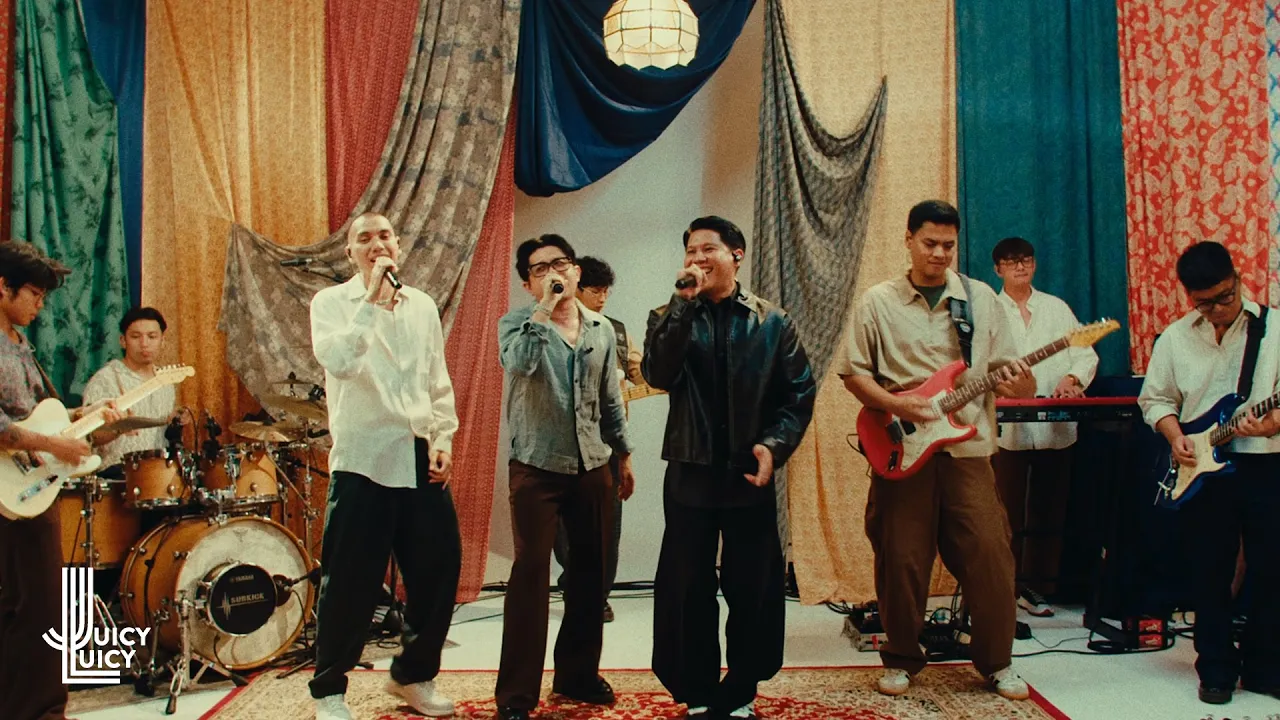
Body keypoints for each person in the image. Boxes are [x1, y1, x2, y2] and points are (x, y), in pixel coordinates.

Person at [835, 200, 1033, 701]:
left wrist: (1019, 379)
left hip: (969, 452)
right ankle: (902, 658)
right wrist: (897, 403)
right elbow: (854, 374)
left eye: (948, 245)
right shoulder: (877, 302)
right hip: (901, 449)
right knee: (901, 560)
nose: (940, 253)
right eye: (930, 243)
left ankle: (997, 662)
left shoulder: (981, 299)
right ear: (908, 240)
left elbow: (1011, 377)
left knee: (992, 557)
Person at [644, 216, 817, 720]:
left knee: (753, 587)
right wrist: (682, 304)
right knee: (686, 586)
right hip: (690, 472)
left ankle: (741, 689)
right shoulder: (669, 314)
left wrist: (774, 446)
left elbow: (799, 394)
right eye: (691, 251)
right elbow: (658, 372)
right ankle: (696, 689)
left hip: (749, 473)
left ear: (736, 256)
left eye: (709, 250)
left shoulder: (773, 322)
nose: (697, 259)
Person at [308, 212, 462, 720]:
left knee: (439, 571)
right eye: (364, 239)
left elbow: (436, 378)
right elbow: (342, 362)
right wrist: (371, 303)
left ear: (398, 243)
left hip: (418, 451)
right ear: (350, 253)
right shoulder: (332, 304)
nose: (376, 244)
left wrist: (443, 438)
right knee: (349, 583)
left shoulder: (422, 305)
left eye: (384, 236)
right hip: (363, 459)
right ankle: (329, 691)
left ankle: (412, 675)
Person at [496, 235, 636, 720]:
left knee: (590, 574)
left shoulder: (601, 328)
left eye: (561, 264)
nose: (554, 273)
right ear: (527, 283)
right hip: (536, 467)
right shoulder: (517, 323)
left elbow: (610, 398)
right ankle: (517, 694)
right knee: (531, 575)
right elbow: (520, 364)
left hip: (593, 464)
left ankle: (577, 675)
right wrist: (545, 309)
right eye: (540, 269)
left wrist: (623, 455)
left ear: (577, 271)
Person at [1138, 241, 1280, 705]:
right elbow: (1155, 398)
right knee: (1209, 568)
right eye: (1205, 303)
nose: (1219, 309)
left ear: (1238, 279)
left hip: (1264, 459)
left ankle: (1264, 666)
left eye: (1225, 297)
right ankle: (1215, 668)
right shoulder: (1176, 338)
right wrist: (1174, 434)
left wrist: (1273, 423)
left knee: (1271, 565)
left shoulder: (1274, 330)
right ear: (1189, 297)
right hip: (1200, 465)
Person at [0, 242, 122, 720]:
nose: (40, 304)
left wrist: (83, 415)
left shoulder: (19, 343)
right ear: (3, 287)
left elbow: (34, 413)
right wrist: (55, 446)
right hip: (11, 490)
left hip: (29, 487)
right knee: (38, 609)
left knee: (31, 607)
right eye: (33, 293)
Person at [990, 237, 1098, 617]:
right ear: (998, 269)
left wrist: (1072, 378)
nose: (1020, 267)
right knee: (1005, 512)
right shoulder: (990, 311)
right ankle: (1003, 587)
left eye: (1026, 260)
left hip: (1055, 425)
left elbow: (1085, 352)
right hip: (1007, 428)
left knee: (1049, 510)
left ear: (1034, 265)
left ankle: (1036, 588)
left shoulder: (1057, 308)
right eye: (1011, 262)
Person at [552, 255, 643, 623]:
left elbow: (641, 373)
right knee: (563, 528)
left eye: (607, 291)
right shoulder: (551, 327)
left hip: (607, 445)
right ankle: (574, 584)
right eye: (595, 291)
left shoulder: (616, 332)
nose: (602, 298)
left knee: (608, 525)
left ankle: (598, 595)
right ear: (577, 289)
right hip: (561, 445)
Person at [82, 307, 181, 473]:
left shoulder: (166, 382)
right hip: (116, 472)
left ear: (162, 341)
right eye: (135, 336)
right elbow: (89, 438)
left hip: (157, 472)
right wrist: (118, 429)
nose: (144, 344)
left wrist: (176, 421)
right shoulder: (105, 379)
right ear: (123, 341)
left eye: (152, 337)